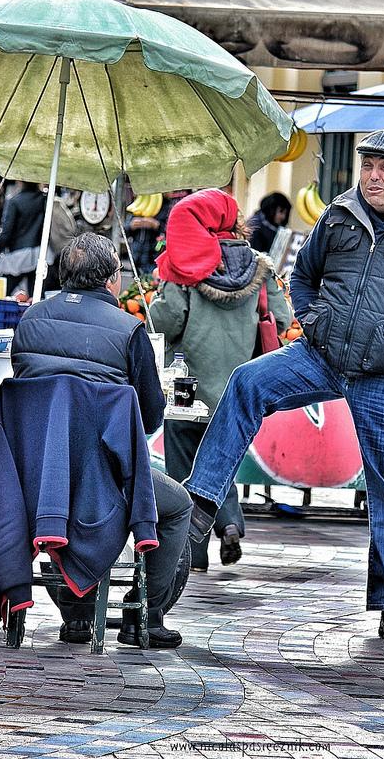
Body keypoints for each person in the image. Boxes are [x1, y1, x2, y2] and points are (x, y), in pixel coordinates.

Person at [184, 128, 384, 643]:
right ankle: (204, 499)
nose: (373, 176)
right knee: (248, 382)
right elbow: (302, 275)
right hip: (323, 355)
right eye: (367, 165)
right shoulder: (339, 214)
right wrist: (314, 322)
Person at [9, 232, 192, 649]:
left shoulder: (30, 321)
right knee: (178, 505)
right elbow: (148, 419)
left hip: (37, 478)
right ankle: (146, 614)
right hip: (104, 479)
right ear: (112, 280)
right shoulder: (129, 330)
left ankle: (75, 616)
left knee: (58, 506)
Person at [148, 189, 292, 571]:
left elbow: (166, 320)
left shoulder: (185, 266)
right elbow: (280, 319)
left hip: (187, 382)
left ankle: (190, 552)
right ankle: (228, 521)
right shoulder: (261, 266)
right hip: (239, 383)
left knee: (184, 461)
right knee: (220, 455)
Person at [0, 181, 46, 295]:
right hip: (38, 255)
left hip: (16, 258)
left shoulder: (14, 201)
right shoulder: (45, 200)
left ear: (20, 181)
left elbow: (4, 233)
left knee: (1, 297)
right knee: (35, 297)